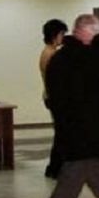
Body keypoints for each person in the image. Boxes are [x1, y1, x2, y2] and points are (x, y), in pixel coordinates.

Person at [45, 15, 99, 198]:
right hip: (86, 138)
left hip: (75, 135)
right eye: (96, 33)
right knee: (69, 190)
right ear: (85, 32)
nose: (97, 38)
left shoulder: (61, 58)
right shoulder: (82, 58)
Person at [40, 19, 68, 179]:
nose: (63, 37)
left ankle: (55, 167)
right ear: (54, 35)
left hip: (51, 96)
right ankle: (55, 167)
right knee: (62, 133)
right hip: (56, 97)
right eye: (62, 34)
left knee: (61, 133)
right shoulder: (51, 54)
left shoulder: (48, 52)